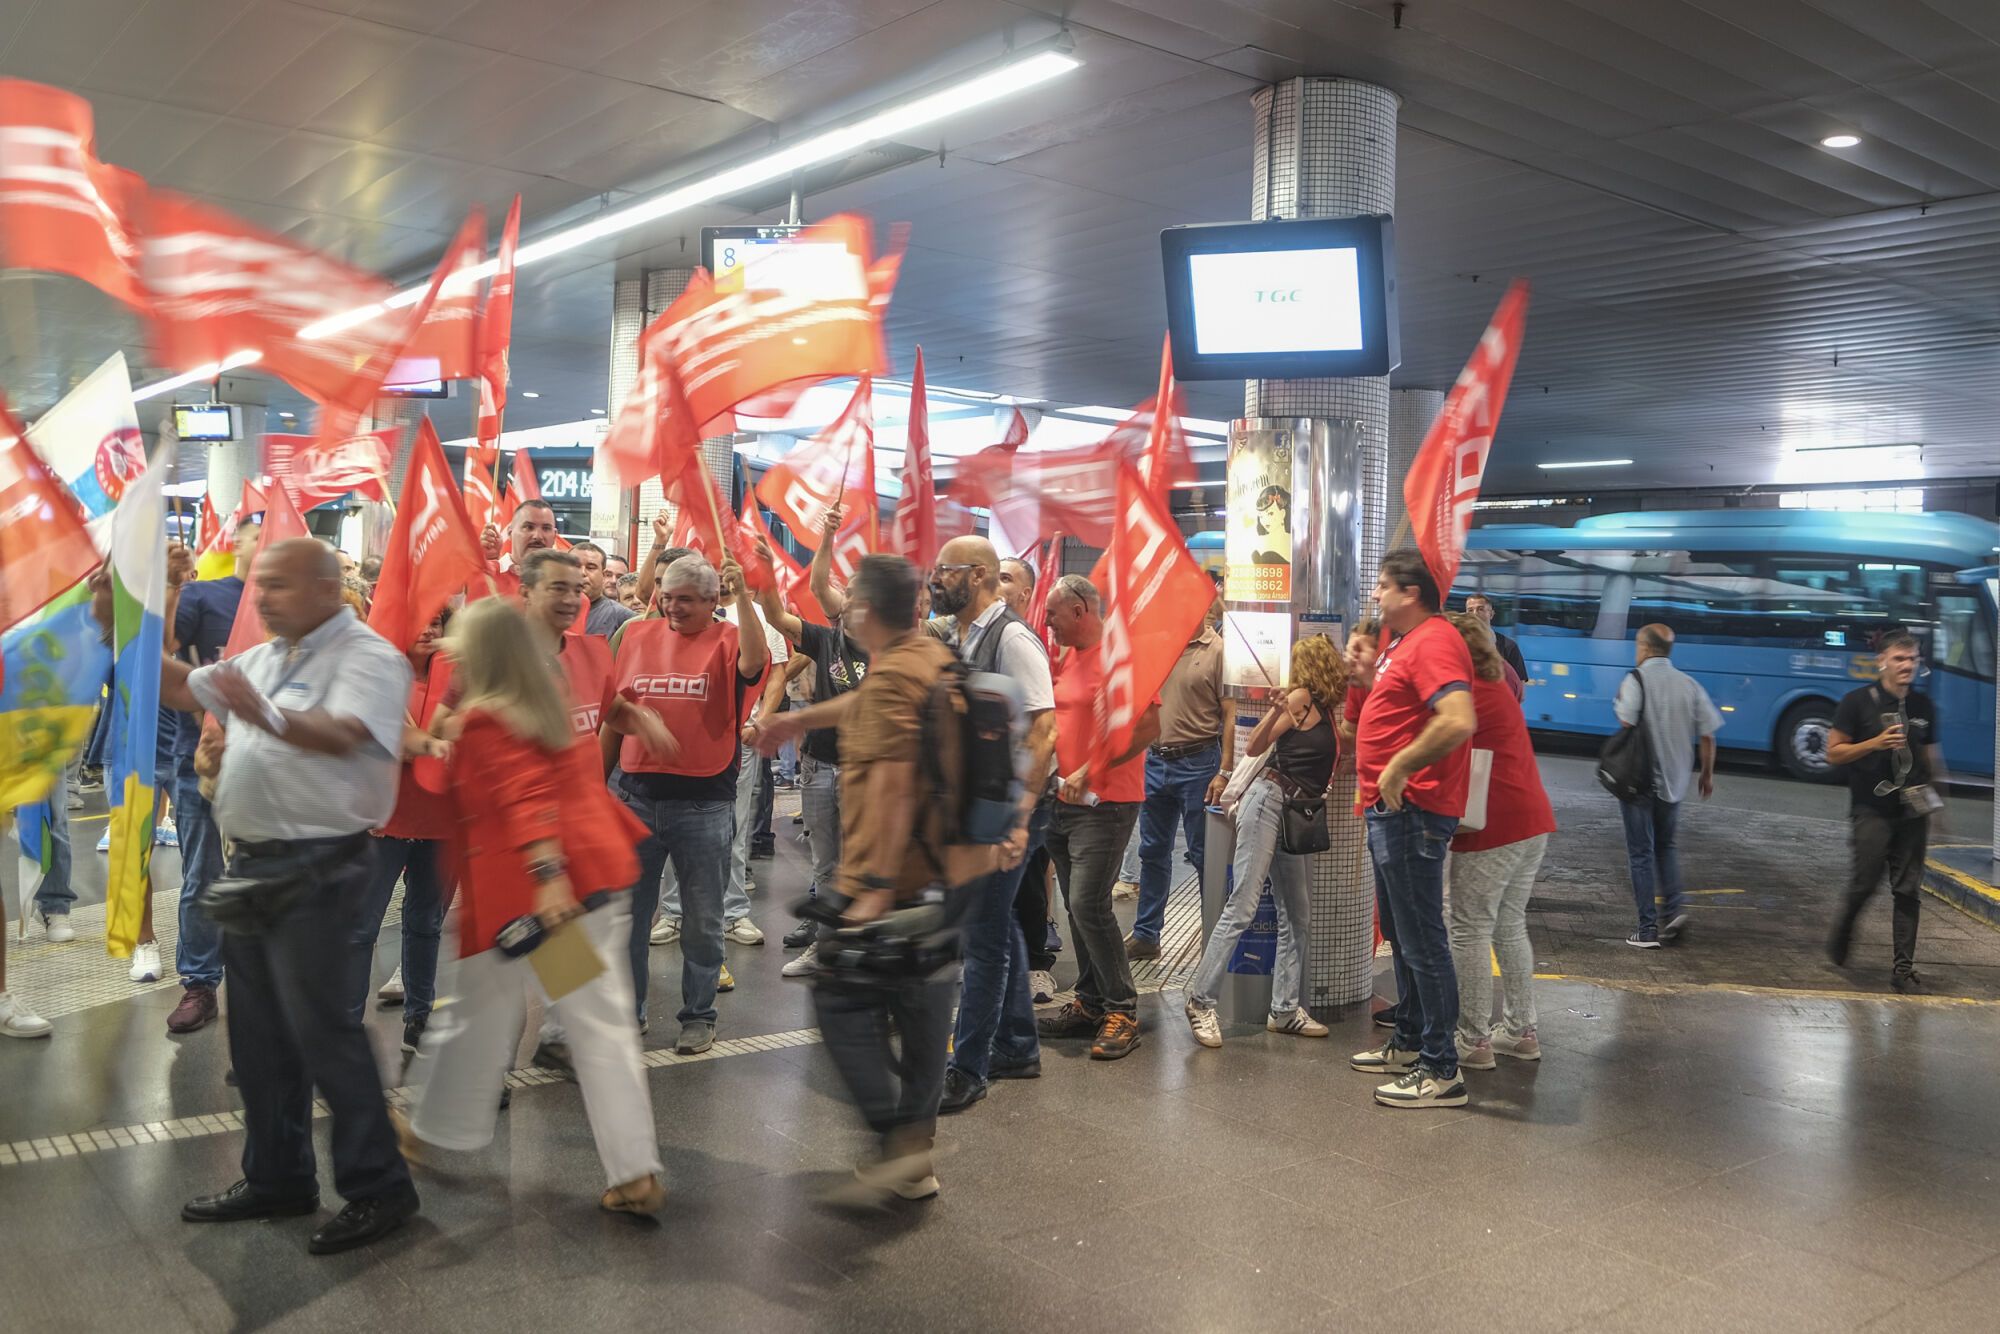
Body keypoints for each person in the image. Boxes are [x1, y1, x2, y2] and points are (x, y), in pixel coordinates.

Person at [158, 538, 418, 1255]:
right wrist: (123, 629)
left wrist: (264, 714)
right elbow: (181, 687)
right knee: (260, 1038)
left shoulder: (368, 657)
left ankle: (380, 1187)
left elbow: (342, 734)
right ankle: (278, 1175)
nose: (261, 598)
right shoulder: (263, 657)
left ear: (328, 589)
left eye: (276, 585)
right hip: (258, 863)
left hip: (322, 863)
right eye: (258, 585)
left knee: (322, 1033)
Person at [398, 597, 665, 1214]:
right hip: (564, 893)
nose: (448, 649)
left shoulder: (489, 717)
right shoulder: (538, 702)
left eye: (459, 641)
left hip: (538, 902)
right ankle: (632, 1174)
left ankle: (424, 1134)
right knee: (523, 1019)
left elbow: (525, 798)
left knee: (520, 1019)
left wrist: (547, 879)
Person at [768, 555, 970, 1203]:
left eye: (850, 599)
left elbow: (889, 789)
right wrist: (802, 720)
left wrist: (871, 894)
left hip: (889, 880)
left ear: (862, 609)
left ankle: (896, 1143)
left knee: (842, 1000)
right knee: (920, 1011)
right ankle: (917, 1152)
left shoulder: (890, 681)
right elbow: (868, 703)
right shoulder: (928, 658)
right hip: (941, 875)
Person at [605, 554, 768, 1054]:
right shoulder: (634, 636)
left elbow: (756, 662)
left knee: (702, 919)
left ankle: (699, 1015)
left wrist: (743, 595)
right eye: (667, 598)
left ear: (712, 600)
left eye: (687, 601)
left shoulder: (729, 640)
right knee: (628, 919)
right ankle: (629, 1013)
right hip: (633, 797)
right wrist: (595, 786)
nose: (673, 608)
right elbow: (614, 715)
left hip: (703, 805)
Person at [926, 536, 1060, 1105]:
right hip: (982, 806)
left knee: (982, 938)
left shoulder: (1012, 639)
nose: (935, 579)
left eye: (945, 571)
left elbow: (1045, 731)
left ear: (976, 576)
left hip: (1009, 809)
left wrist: (1019, 818)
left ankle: (970, 1068)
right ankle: (1020, 1047)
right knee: (996, 927)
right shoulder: (966, 635)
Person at [1351, 550, 1477, 1110]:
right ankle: (1409, 1042)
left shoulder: (1435, 641)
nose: (1376, 596)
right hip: (1391, 811)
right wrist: (1360, 677)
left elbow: (1457, 719)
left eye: (1383, 587)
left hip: (1414, 811)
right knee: (1404, 937)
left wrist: (1399, 766)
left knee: (1424, 942)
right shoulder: (1401, 644)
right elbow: (1377, 714)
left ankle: (1441, 1069)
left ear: (1412, 593)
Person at [1184, 634, 1343, 1048]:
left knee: (1298, 914)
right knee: (1243, 904)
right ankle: (1201, 1000)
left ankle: (1285, 1009)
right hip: (1268, 803)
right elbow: (1254, 746)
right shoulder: (1300, 699)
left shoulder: (1322, 707)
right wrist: (1274, 714)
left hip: (1291, 813)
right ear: (1325, 664)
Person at [1036, 574, 1160, 1061]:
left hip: (1107, 803)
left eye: (1053, 614)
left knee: (1089, 904)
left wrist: (1092, 769)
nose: (1048, 623)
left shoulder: (1120, 656)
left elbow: (1150, 724)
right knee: (1075, 907)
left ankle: (1122, 1009)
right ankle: (1089, 1002)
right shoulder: (1068, 656)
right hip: (1061, 804)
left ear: (1080, 610)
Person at [750, 536, 869, 976]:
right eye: (851, 591)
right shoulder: (825, 638)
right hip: (819, 767)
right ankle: (826, 947)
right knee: (826, 864)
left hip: (865, 772)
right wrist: (764, 578)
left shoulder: (893, 649)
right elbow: (777, 616)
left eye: (862, 593)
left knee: (862, 865)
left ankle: (858, 950)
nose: (853, 599)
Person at [159, 517, 260, 1034]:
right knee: (202, 875)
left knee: (263, 878)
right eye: (256, 530)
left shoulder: (291, 611)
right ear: (236, 541)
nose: (266, 540)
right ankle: (199, 983)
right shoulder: (209, 595)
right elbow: (167, 645)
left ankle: (257, 994)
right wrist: (173, 587)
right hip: (200, 762)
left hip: (268, 768)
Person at [1442, 614, 1555, 1068]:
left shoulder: (1465, 694)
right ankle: (1520, 1030)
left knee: (1468, 927)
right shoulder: (1497, 686)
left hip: (1494, 825)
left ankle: (1473, 1039)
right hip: (1533, 821)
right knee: (1509, 925)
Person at [350, 611, 454, 1054]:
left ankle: (419, 1019)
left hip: (443, 823)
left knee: (425, 924)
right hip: (383, 823)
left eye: (437, 621)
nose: (429, 629)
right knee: (360, 929)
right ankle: (347, 1026)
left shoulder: (461, 675)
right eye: (420, 621)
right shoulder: (374, 675)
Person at [1826, 632, 1943, 993]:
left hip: (1912, 811)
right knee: (1866, 881)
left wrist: (1939, 801)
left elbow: (1930, 758)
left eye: (1913, 659)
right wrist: (1874, 744)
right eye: (1899, 658)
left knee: (1907, 890)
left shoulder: (1924, 706)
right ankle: (1845, 925)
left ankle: (1903, 970)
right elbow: (1833, 753)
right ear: (1882, 661)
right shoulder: (1857, 702)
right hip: (1871, 809)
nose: (1907, 665)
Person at [1126, 595, 1229, 961]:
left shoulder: (1218, 650)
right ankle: (1146, 935)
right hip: (1155, 761)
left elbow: (1229, 712)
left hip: (1199, 762)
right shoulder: (1161, 646)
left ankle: (1214, 940)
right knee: (1152, 851)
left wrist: (1225, 770)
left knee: (1204, 856)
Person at [1614, 624, 1721, 949]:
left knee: (1640, 853)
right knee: (1667, 846)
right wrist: (1706, 774)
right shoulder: (1689, 684)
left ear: (1645, 647)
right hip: (1675, 780)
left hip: (1639, 780)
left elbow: (1625, 721)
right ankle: (1672, 912)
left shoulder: (1636, 679)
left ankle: (1647, 929)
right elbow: (1707, 734)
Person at [477, 499, 560, 600]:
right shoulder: (483, 577)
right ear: (510, 532)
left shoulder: (567, 588)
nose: (538, 536)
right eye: (529, 527)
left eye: (546, 528)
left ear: (555, 535)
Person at [572, 540, 636, 638]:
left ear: (603, 574)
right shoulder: (548, 611)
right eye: (575, 566)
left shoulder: (623, 618)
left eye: (590, 567)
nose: (582, 573)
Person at [1464, 595, 1526, 694]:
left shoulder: (1509, 646)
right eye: (1470, 610)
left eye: (1480, 609)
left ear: (1491, 614)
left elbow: (1520, 691)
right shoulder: (1459, 645)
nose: (1475, 614)